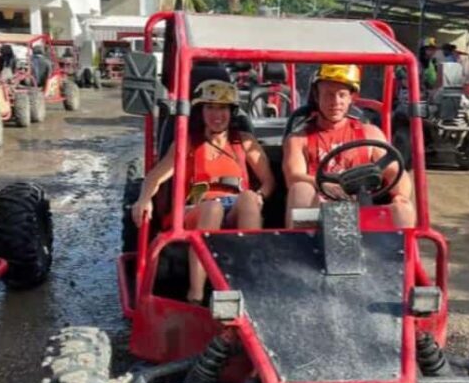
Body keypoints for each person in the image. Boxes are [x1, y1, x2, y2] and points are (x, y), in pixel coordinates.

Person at [132, 79, 275, 304]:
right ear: (200, 112)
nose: (217, 114)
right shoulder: (187, 143)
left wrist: (260, 197)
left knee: (248, 198)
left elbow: (268, 182)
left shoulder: (244, 142)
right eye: (210, 107)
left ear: (232, 112)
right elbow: (155, 176)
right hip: (196, 208)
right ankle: (196, 294)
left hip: (235, 206)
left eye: (223, 108)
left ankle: (247, 286)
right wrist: (144, 198)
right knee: (213, 208)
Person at [282, 64, 416, 229]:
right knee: (300, 189)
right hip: (317, 211)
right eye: (329, 95)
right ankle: (302, 250)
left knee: (404, 209)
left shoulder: (370, 133)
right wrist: (327, 186)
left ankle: (399, 253)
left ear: (351, 98)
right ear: (317, 97)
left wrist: (401, 195)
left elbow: (396, 172)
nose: (336, 102)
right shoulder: (298, 138)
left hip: (362, 207)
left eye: (342, 95)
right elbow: (293, 177)